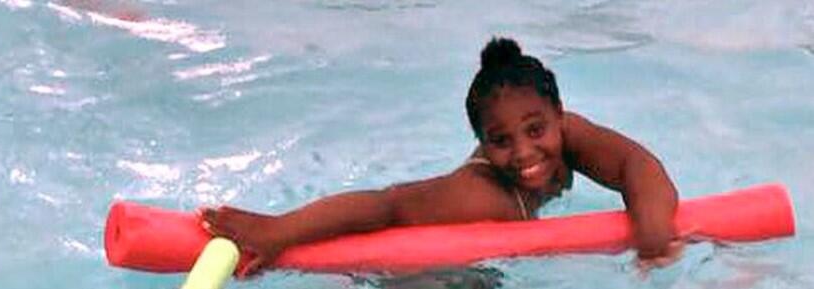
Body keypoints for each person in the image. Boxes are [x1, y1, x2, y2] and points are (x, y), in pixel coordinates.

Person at [199, 36, 683, 277]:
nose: (523, 153)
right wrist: (280, 231)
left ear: (559, 115)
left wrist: (653, 230)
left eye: (535, 130)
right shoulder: (480, 195)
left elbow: (634, 165)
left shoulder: (572, 135)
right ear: (481, 142)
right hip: (439, 280)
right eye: (500, 140)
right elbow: (387, 204)